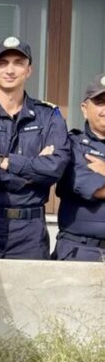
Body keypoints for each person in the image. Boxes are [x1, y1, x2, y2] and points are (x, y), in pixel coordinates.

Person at [0, 37, 70, 259]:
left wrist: (3, 162)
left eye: (18, 62)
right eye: (2, 63)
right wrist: (33, 170)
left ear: (29, 70)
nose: (10, 70)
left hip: (29, 232)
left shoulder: (49, 115)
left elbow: (55, 168)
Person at [56, 73, 105, 261]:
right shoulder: (71, 145)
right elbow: (96, 190)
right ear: (85, 109)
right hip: (81, 251)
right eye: (100, 102)